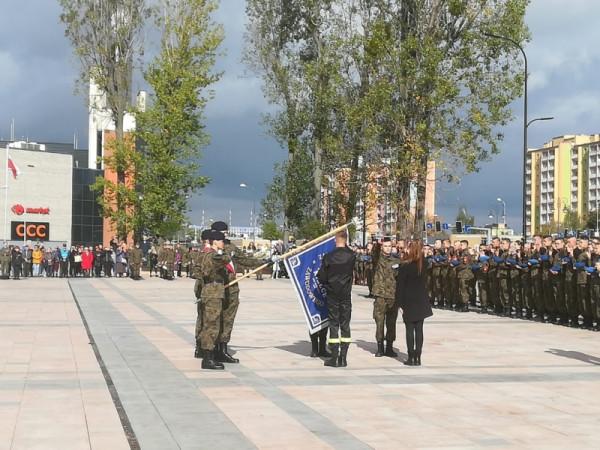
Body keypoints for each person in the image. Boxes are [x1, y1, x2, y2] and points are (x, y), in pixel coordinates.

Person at [317, 230, 356, 367]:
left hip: (332, 294)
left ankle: (334, 358)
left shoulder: (329, 256)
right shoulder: (351, 256)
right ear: (346, 240)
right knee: (345, 325)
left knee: (334, 324)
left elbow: (321, 276)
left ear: (336, 239)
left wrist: (327, 283)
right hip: (346, 294)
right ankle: (343, 358)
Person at [395, 240, 433, 366]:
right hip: (421, 300)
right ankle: (418, 357)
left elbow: (400, 286)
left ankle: (411, 357)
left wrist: (399, 304)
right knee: (419, 329)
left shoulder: (405, 266)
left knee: (410, 330)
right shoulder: (424, 264)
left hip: (408, 301)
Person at [198, 230, 232, 370]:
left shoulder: (207, 254)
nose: (223, 243)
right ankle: (208, 359)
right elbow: (226, 259)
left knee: (211, 324)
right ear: (215, 242)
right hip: (213, 292)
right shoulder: (213, 255)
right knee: (212, 326)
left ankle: (210, 356)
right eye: (221, 241)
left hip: (211, 292)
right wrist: (223, 252)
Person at [371, 237, 400, 357]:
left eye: (390, 246)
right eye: (385, 246)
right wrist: (377, 244)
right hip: (380, 295)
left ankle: (389, 347)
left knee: (391, 322)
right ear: (382, 247)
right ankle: (380, 347)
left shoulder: (397, 260)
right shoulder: (378, 259)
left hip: (393, 295)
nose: (388, 248)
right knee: (379, 321)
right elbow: (374, 253)